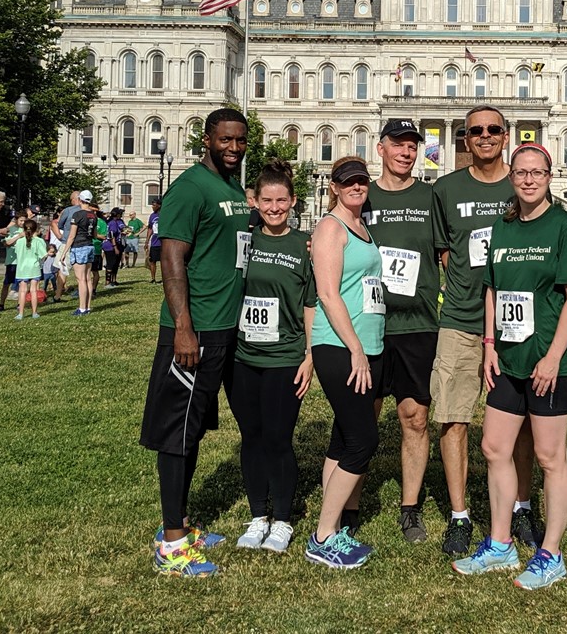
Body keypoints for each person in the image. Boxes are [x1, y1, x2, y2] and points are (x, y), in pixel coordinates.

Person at [452, 142, 567, 590]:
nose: (529, 179)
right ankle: (501, 543)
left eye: (538, 172)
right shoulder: (503, 227)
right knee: (494, 447)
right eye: (521, 172)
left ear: (549, 177)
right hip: (507, 360)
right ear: (511, 177)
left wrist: (552, 357)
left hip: (549, 362)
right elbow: (492, 290)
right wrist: (490, 344)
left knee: (550, 457)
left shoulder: (565, 227)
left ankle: (550, 553)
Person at [139, 107, 251, 578]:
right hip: (195, 329)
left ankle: (183, 521)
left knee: (194, 430)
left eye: (240, 140)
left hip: (226, 328)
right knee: (176, 432)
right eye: (224, 140)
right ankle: (171, 541)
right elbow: (172, 258)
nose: (233, 148)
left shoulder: (229, 188)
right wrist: (183, 326)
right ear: (206, 139)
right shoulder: (188, 188)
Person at [432, 106, 539, 558]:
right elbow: (443, 252)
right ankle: (459, 515)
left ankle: (522, 506)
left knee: (522, 424)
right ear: (464, 137)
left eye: (495, 129)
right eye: (476, 130)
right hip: (460, 319)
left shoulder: (522, 185)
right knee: (453, 417)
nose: (486, 136)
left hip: (515, 322)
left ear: (506, 134)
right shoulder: (446, 188)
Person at [359, 118, 440, 543]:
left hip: (418, 324)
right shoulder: (360, 195)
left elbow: (448, 256)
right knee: (363, 416)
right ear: (381, 148)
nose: (407, 153)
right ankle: (351, 504)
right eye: (398, 145)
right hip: (369, 324)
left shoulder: (431, 196)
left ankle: (410, 509)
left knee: (415, 417)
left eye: (413, 146)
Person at [231, 159, 317, 555]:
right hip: (244, 355)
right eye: (267, 200)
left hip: (285, 355)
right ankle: (257, 513)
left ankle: (282, 519)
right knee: (251, 437)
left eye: (282, 200)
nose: (275, 208)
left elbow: (311, 304)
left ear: (293, 201)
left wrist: (310, 355)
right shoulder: (245, 240)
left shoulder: (305, 245)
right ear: (255, 201)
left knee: (278, 438)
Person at [305, 156, 384, 570]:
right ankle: (321, 536)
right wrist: (354, 346)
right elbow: (329, 294)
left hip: (366, 344)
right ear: (334, 186)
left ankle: (332, 527)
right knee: (363, 440)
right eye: (347, 182)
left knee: (342, 438)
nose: (356, 187)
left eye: (361, 181)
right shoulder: (330, 228)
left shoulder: (361, 226)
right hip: (340, 347)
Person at [58, 190, 100, 316]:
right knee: (87, 278)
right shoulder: (94, 215)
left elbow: (71, 235)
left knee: (80, 279)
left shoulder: (77, 215)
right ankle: (87, 307)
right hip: (89, 246)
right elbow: (94, 235)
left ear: (80, 200)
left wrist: (64, 252)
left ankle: (81, 308)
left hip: (78, 246)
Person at [14, 218, 47, 320]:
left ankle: (20, 313)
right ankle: (34, 312)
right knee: (33, 291)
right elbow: (43, 255)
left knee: (22, 291)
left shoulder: (19, 242)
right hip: (34, 267)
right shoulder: (39, 241)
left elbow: (17, 253)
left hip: (21, 268)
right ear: (35, 229)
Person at [54, 191, 81, 302]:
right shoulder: (89, 211)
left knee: (62, 269)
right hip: (82, 243)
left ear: (75, 199)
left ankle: (58, 295)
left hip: (67, 243)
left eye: (71, 199)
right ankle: (82, 292)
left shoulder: (69, 210)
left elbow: (59, 224)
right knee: (81, 271)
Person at [146, 199, 162, 284]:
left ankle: (165, 278)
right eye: (152, 205)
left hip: (163, 242)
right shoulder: (152, 216)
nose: (152, 207)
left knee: (164, 261)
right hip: (155, 241)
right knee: (152, 261)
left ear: (159, 205)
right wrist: (147, 240)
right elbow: (150, 228)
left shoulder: (165, 214)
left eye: (154, 205)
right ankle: (153, 278)